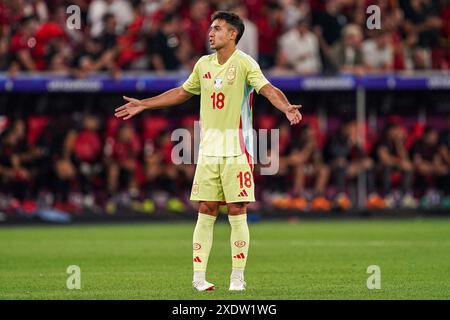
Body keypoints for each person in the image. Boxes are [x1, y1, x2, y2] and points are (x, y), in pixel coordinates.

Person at [114, 11, 302, 291]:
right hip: (208, 152)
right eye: (211, 28)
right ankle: (198, 278)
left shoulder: (245, 63)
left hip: (237, 150)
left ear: (232, 35)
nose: (211, 33)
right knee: (206, 208)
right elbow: (181, 92)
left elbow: (268, 89)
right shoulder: (203, 64)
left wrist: (286, 106)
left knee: (237, 210)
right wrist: (145, 104)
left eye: (217, 29)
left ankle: (237, 278)